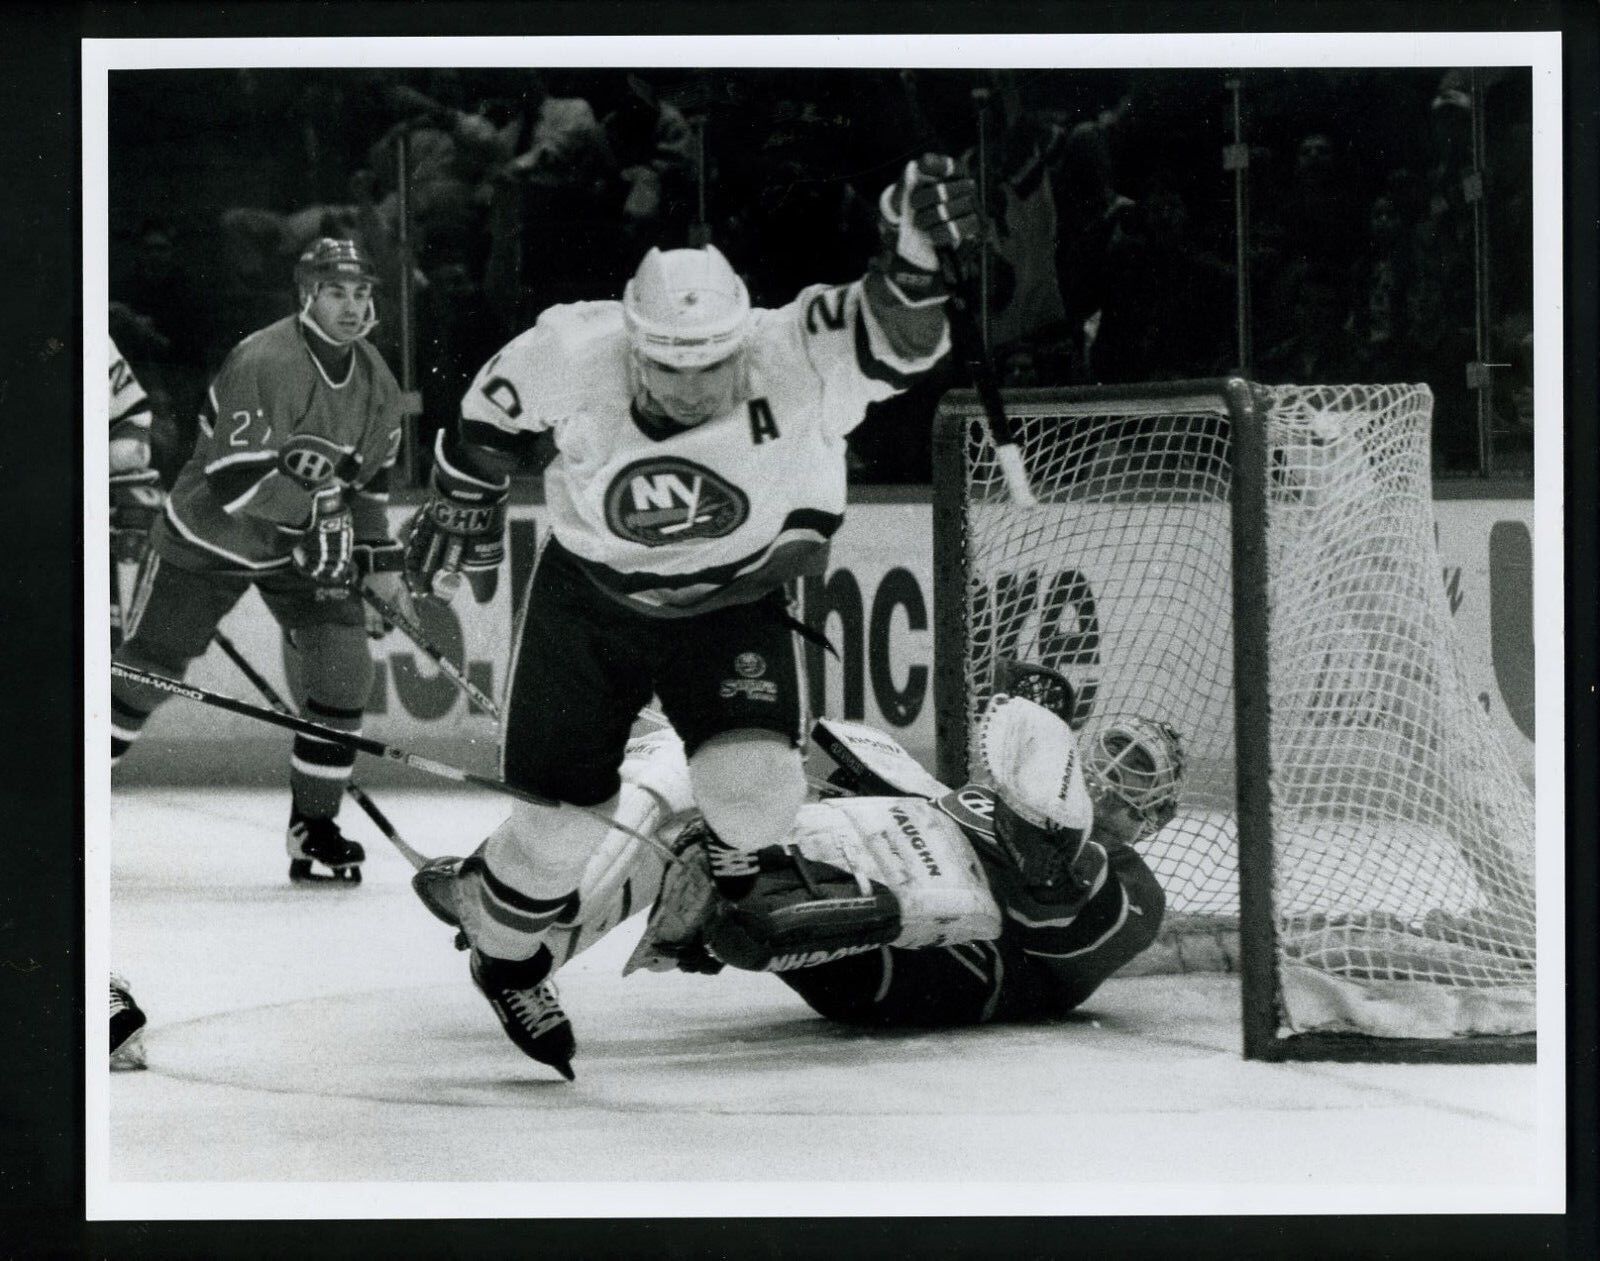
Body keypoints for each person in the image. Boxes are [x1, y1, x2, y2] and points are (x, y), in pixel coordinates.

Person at [402, 155, 977, 1073]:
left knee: (758, 801)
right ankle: (501, 943)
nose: (689, 386)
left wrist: (911, 257)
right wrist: (463, 493)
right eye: (665, 365)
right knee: (556, 838)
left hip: (729, 605)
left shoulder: (792, 349)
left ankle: (716, 855)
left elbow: (897, 340)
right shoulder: (571, 346)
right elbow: (483, 416)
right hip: (587, 600)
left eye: (709, 364)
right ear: (630, 339)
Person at [412, 663, 1182, 1074]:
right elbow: (908, 822)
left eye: (1135, 773)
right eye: (1109, 751)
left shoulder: (1133, 891)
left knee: (727, 844)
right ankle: (525, 935)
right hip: (853, 893)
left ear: (1154, 816)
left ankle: (690, 904)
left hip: (904, 966)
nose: (1112, 774)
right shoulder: (988, 799)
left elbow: (1052, 919)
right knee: (699, 777)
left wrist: (1043, 815)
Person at [109, 239, 411, 884]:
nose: (353, 306)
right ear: (307, 294)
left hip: (298, 552)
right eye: (337, 292)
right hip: (208, 540)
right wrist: (313, 522)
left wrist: (380, 559)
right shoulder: (265, 358)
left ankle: (315, 827)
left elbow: (371, 483)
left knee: (343, 671)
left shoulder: (376, 379)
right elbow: (233, 477)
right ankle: (65, 804)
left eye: (362, 293)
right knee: (143, 676)